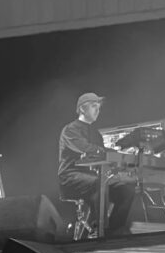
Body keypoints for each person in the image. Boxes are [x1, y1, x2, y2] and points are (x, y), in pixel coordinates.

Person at [58, 93, 137, 237]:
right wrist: (106, 152)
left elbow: (102, 154)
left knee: (126, 190)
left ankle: (114, 232)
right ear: (82, 109)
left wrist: (122, 155)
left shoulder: (96, 134)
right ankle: (98, 229)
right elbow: (84, 148)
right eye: (94, 106)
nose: (97, 111)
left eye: (99, 108)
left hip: (94, 177)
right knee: (99, 183)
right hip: (70, 177)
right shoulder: (70, 130)